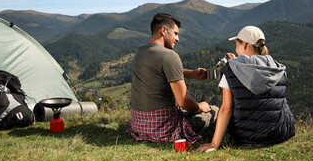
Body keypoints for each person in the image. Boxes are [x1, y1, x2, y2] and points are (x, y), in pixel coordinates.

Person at [197, 26, 295, 152]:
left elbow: (226, 109)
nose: (236, 48)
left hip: (245, 136)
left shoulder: (230, 69)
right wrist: (235, 63)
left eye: (237, 44)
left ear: (245, 44)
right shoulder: (277, 69)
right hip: (279, 133)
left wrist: (214, 144)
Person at [126, 13, 218, 145]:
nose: (177, 38)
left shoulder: (140, 52)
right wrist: (200, 107)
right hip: (163, 129)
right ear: (163, 30)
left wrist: (191, 73)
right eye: (175, 33)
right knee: (214, 109)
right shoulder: (169, 56)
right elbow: (183, 102)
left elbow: (158, 70)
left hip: (139, 126)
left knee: (189, 110)